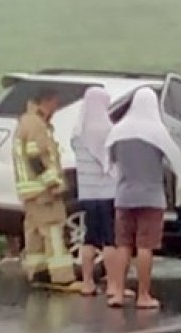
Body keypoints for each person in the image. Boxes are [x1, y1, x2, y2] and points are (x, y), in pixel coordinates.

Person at [105, 86, 181, 311]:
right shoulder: (157, 132)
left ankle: (117, 292)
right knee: (145, 247)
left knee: (123, 245)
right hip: (151, 196)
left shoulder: (119, 131)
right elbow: (176, 160)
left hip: (124, 196)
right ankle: (143, 295)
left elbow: (108, 161)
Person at [12, 87, 78, 291]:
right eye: (56, 103)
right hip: (43, 192)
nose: (57, 108)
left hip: (29, 191)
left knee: (34, 232)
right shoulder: (36, 125)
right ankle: (62, 277)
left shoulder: (26, 122)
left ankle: (39, 272)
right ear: (47, 101)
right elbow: (35, 157)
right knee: (54, 231)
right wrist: (54, 183)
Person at [71, 86, 125, 302]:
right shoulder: (107, 130)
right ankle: (112, 284)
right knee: (109, 239)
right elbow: (113, 160)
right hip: (106, 191)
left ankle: (87, 282)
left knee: (89, 237)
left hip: (86, 192)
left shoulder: (77, 132)